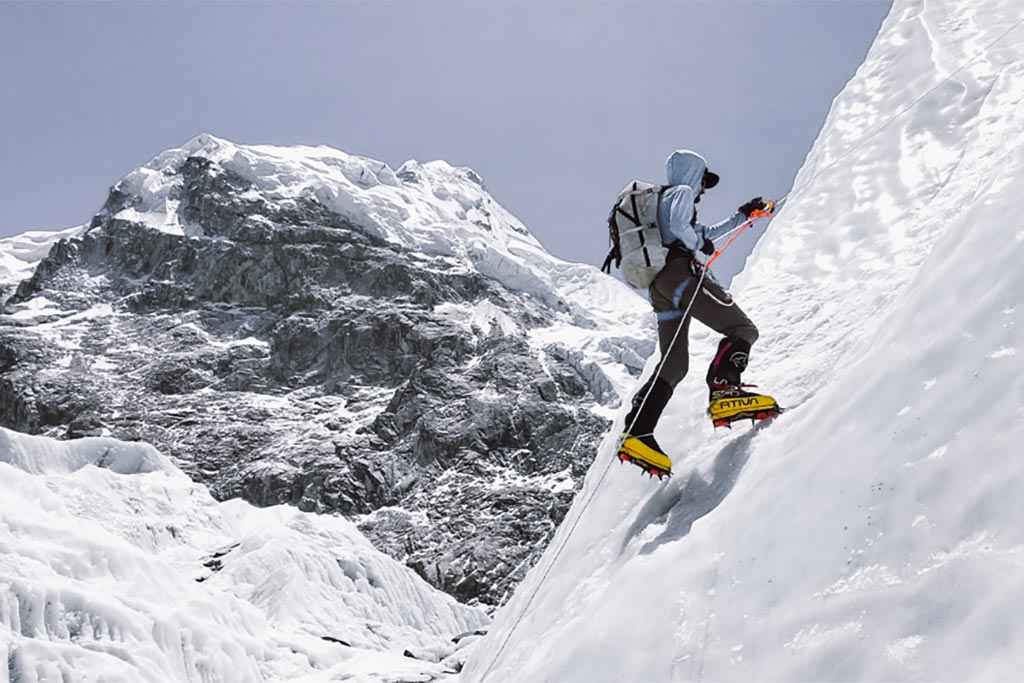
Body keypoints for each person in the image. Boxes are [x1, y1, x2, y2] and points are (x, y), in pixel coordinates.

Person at [619, 149, 778, 477]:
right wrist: (694, 241)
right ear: (694, 175)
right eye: (704, 181)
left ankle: (639, 430)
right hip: (680, 275)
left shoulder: (661, 203)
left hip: (660, 288)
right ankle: (724, 390)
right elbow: (686, 231)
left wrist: (743, 216)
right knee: (742, 330)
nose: (704, 190)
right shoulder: (682, 193)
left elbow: (703, 234)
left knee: (674, 364)